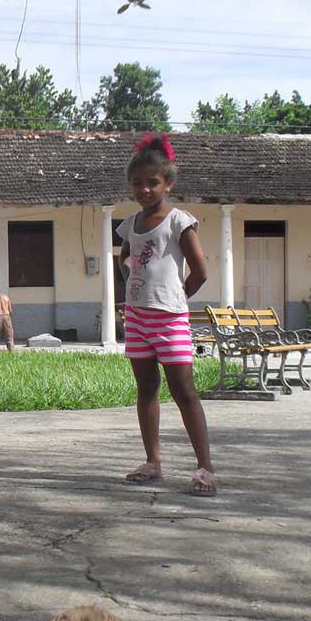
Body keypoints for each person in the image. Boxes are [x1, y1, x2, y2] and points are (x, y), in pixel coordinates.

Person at [116, 134, 216, 496]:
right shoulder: (130, 223)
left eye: (152, 182)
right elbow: (125, 257)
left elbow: (200, 270)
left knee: (184, 390)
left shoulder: (178, 221)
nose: (144, 189)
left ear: (168, 183)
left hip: (170, 319)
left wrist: (176, 296)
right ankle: (153, 461)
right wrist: (134, 278)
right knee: (146, 390)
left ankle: (205, 467)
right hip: (138, 319)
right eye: (137, 183)